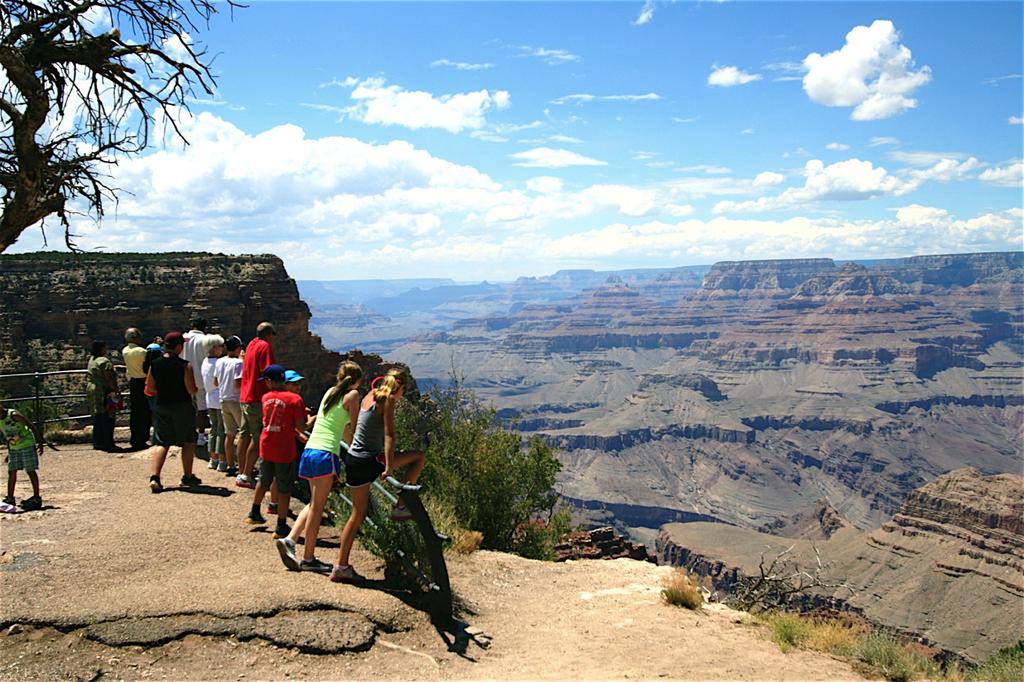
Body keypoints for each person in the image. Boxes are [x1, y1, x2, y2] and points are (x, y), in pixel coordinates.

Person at [331, 368, 425, 584]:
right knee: (419, 457)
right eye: (403, 391)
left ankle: (341, 566)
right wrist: (389, 466)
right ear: (399, 388)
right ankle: (401, 506)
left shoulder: (369, 395)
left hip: (353, 460)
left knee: (357, 515)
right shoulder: (389, 400)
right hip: (370, 461)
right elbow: (389, 435)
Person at [276, 361, 362, 573]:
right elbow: (354, 427)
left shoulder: (330, 393)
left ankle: (290, 540)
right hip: (325, 454)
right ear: (358, 380)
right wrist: (359, 451)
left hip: (310, 451)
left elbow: (339, 429)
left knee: (314, 503)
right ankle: (308, 558)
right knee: (318, 508)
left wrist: (351, 447)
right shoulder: (352, 396)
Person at [245, 364, 308, 539]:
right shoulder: (295, 399)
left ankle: (254, 512)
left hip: (267, 445)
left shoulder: (266, 397)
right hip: (284, 449)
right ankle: (281, 525)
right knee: (284, 487)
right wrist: (310, 420)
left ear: (270, 381)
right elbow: (301, 426)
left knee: (263, 480)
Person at [146, 331, 202, 492]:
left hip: (162, 405)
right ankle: (188, 476)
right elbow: (191, 389)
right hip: (182, 406)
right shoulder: (185, 365)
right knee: (188, 441)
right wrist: (196, 389)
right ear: (178, 346)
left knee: (162, 442)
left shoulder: (154, 364)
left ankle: (155, 477)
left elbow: (150, 388)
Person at [237, 322, 277, 489]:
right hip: (256, 399)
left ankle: (242, 471)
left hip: (245, 397)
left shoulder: (252, 344)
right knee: (257, 437)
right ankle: (246, 475)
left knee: (244, 435)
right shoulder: (264, 346)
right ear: (269, 334)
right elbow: (269, 372)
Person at [0, 402, 45, 511]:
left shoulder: (14, 415)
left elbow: (31, 426)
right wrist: (9, 450)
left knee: (30, 470)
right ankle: (10, 497)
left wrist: (40, 442)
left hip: (27, 445)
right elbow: (7, 435)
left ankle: (36, 497)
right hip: (14, 448)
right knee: (12, 471)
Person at [214, 335, 244, 477]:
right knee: (244, 435)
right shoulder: (238, 363)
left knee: (230, 434)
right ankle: (243, 468)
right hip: (235, 401)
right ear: (237, 348)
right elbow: (239, 384)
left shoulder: (219, 362)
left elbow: (216, 382)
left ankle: (230, 465)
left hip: (223, 400)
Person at [182, 317, 214, 446]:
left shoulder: (183, 338)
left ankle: (186, 434)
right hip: (201, 378)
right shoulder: (206, 340)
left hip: (185, 377)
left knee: (185, 407)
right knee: (202, 409)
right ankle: (201, 436)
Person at [87, 340, 119, 452]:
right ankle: (108, 442)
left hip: (93, 389)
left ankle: (98, 441)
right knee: (108, 415)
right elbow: (109, 378)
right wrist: (116, 390)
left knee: (98, 415)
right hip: (104, 391)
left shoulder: (92, 359)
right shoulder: (104, 361)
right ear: (102, 349)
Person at [122, 328, 152, 450]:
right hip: (143, 382)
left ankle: (135, 437)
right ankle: (143, 437)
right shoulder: (142, 351)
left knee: (135, 411)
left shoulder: (124, 350)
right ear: (135, 338)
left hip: (133, 382)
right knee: (145, 411)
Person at [201, 336, 226, 472]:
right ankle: (222, 461)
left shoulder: (205, 361)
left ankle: (213, 459)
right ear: (214, 347)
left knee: (213, 430)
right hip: (220, 398)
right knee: (222, 431)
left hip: (209, 398)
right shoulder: (219, 362)